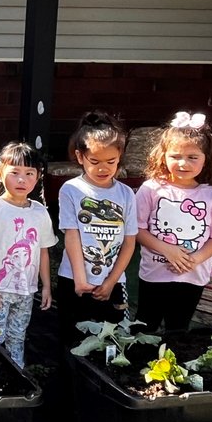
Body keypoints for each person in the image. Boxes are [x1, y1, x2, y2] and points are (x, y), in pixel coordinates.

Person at [136, 112, 212, 333]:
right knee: (143, 327)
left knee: (178, 329)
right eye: (175, 156)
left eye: (192, 157)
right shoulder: (151, 188)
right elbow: (137, 229)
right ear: (163, 156)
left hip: (192, 277)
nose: (183, 163)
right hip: (154, 275)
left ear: (206, 158)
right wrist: (168, 250)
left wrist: (193, 260)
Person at [0, 141, 57, 368]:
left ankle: (18, 375)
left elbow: (44, 251)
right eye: (14, 173)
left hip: (27, 291)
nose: (22, 180)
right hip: (0, 290)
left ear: (37, 177)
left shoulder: (40, 211)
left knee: (18, 336)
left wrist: (46, 286)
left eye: (29, 173)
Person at [57, 111, 138, 346]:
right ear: (80, 157)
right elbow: (72, 235)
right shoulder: (71, 190)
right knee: (71, 341)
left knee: (111, 342)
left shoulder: (126, 194)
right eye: (95, 162)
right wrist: (80, 280)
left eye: (111, 162)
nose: (104, 168)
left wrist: (111, 281)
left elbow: (129, 241)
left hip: (112, 284)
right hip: (73, 280)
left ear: (119, 157)